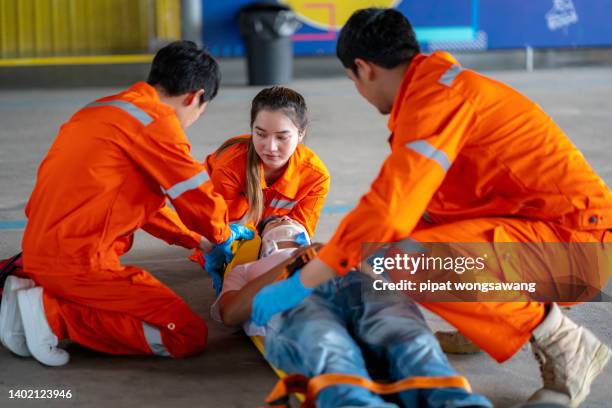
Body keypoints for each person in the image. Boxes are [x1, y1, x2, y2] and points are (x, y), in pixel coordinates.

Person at [249, 8, 612, 406]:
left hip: (579, 250)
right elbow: (419, 206)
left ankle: (567, 346)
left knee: (408, 259)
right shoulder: (434, 89)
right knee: (403, 240)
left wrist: (306, 280)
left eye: (353, 80)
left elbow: (388, 210)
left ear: (363, 69)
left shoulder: (437, 100)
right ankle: (486, 324)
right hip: (549, 233)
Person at [0, 41, 253, 366]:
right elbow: (197, 197)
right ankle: (53, 314)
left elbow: (145, 206)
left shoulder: (101, 110)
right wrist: (223, 235)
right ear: (194, 97)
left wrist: (197, 241)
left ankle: (38, 302)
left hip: (38, 251)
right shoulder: (156, 124)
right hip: (81, 263)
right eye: (201, 109)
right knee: (186, 334)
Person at [214, 216, 492, 408]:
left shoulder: (332, 249)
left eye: (289, 220)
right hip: (292, 299)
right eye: (274, 221)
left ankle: (455, 401)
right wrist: (295, 263)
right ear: (262, 240)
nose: (284, 222)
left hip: (351, 284)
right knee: (326, 345)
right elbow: (231, 313)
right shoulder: (246, 269)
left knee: (406, 333)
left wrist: (335, 257)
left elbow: (380, 282)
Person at [190, 86, 330, 292]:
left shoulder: (315, 176)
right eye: (261, 134)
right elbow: (225, 234)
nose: (270, 147)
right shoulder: (230, 166)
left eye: (282, 137)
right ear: (252, 128)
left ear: (301, 134)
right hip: (218, 233)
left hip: (262, 234)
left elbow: (297, 234)